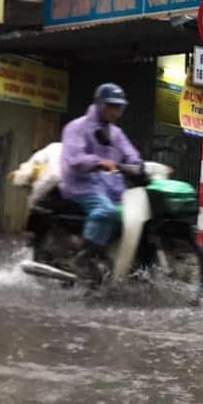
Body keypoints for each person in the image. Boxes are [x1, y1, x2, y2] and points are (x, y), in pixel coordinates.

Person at [59, 83, 142, 276]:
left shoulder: (115, 133)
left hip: (110, 188)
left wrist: (139, 165)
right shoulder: (77, 127)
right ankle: (84, 257)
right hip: (82, 185)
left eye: (119, 107)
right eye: (112, 106)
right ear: (100, 105)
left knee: (131, 215)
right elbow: (74, 159)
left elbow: (130, 153)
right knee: (106, 211)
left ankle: (109, 253)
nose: (116, 111)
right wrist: (98, 162)